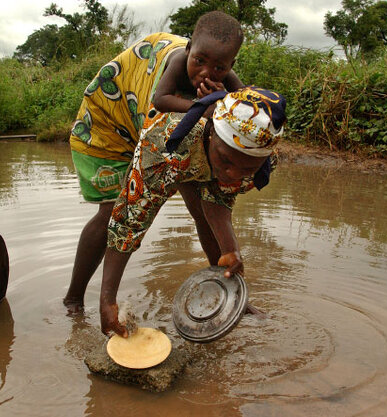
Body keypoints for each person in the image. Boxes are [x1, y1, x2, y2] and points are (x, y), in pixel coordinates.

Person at [64, 11, 245, 313]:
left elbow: (245, 104)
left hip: (162, 124)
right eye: (198, 61)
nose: (205, 72)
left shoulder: (220, 75)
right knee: (112, 210)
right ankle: (74, 299)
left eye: (218, 67)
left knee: (202, 207)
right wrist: (204, 107)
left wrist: (224, 99)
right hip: (108, 120)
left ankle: (230, 293)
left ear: (229, 66)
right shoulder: (177, 63)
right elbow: (160, 101)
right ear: (189, 48)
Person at [100, 86, 287, 337]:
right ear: (211, 134)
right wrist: (108, 300)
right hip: (120, 106)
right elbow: (128, 221)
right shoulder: (162, 147)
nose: (233, 174)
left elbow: (216, 197)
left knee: (202, 212)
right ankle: (73, 303)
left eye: (246, 168)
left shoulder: (261, 160)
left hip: (194, 153)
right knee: (107, 214)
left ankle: (225, 292)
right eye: (227, 160)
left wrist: (231, 251)